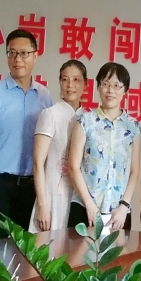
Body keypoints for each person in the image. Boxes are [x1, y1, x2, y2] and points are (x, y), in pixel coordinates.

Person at [0, 29, 52, 238]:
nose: (17, 59)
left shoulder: (44, 96)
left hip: (32, 187)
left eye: (24, 53)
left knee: (28, 250)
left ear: (35, 55)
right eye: (12, 53)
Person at [68, 62, 141, 230]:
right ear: (98, 87)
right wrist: (89, 205)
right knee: (79, 248)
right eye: (105, 84)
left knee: (119, 248)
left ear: (125, 90)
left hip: (119, 213)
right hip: (85, 208)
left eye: (116, 85)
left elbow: (134, 170)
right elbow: (73, 166)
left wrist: (124, 206)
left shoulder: (132, 126)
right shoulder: (85, 121)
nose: (110, 91)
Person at [29, 61, 87, 232]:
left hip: (78, 197)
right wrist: (42, 205)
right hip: (52, 195)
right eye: (65, 79)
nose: (70, 85)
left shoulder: (89, 119)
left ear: (85, 84)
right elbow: (38, 163)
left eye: (76, 80)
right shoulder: (50, 115)